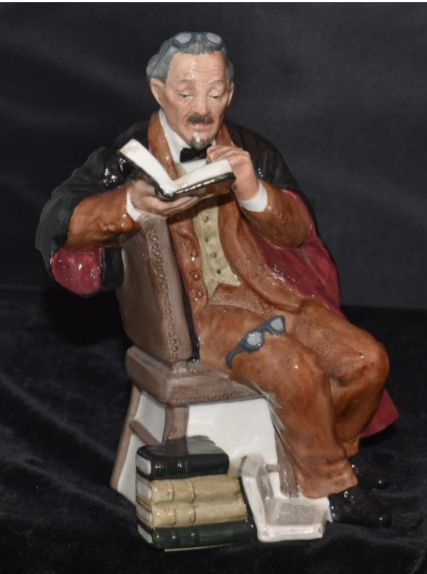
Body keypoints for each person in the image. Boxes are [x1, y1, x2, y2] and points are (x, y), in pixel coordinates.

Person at [36, 32, 398, 527]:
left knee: (367, 360)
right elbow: (59, 220)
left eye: (214, 92)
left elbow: (298, 229)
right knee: (293, 371)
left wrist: (252, 191)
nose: (201, 108)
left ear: (230, 92)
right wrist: (129, 203)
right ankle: (333, 485)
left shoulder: (251, 149)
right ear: (159, 91)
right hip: (201, 316)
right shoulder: (125, 158)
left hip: (268, 293)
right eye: (186, 93)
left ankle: (338, 447)